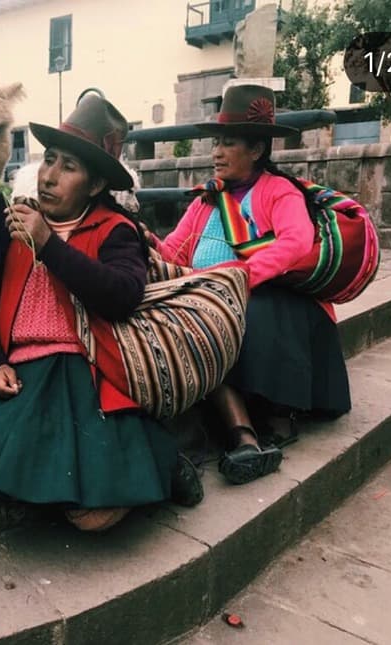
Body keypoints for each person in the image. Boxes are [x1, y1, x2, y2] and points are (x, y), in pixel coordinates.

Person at [0, 94, 204, 533]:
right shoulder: (15, 227)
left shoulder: (116, 230)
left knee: (93, 520)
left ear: (93, 186)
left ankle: (165, 463)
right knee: (20, 484)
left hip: (93, 371)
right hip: (27, 375)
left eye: (68, 167)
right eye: (49, 160)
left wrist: (50, 246)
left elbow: (122, 296)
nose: (49, 177)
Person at [156, 84, 351, 485]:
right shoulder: (206, 201)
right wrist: (144, 245)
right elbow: (173, 252)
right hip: (212, 302)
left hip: (263, 303)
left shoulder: (278, 192)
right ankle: (232, 435)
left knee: (238, 312)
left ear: (257, 149)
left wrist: (238, 278)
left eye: (228, 144)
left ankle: (261, 420)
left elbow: (295, 243)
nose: (216, 153)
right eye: (216, 144)